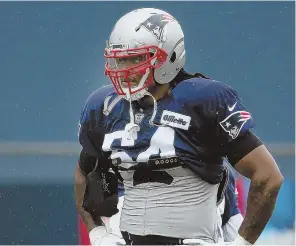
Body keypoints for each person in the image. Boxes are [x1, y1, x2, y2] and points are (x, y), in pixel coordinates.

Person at [74, 7, 283, 245]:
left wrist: (242, 243)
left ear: (169, 57)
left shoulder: (202, 100)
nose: (125, 70)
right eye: (120, 60)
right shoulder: (104, 106)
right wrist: (98, 233)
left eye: (137, 58)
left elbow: (268, 176)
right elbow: (84, 173)